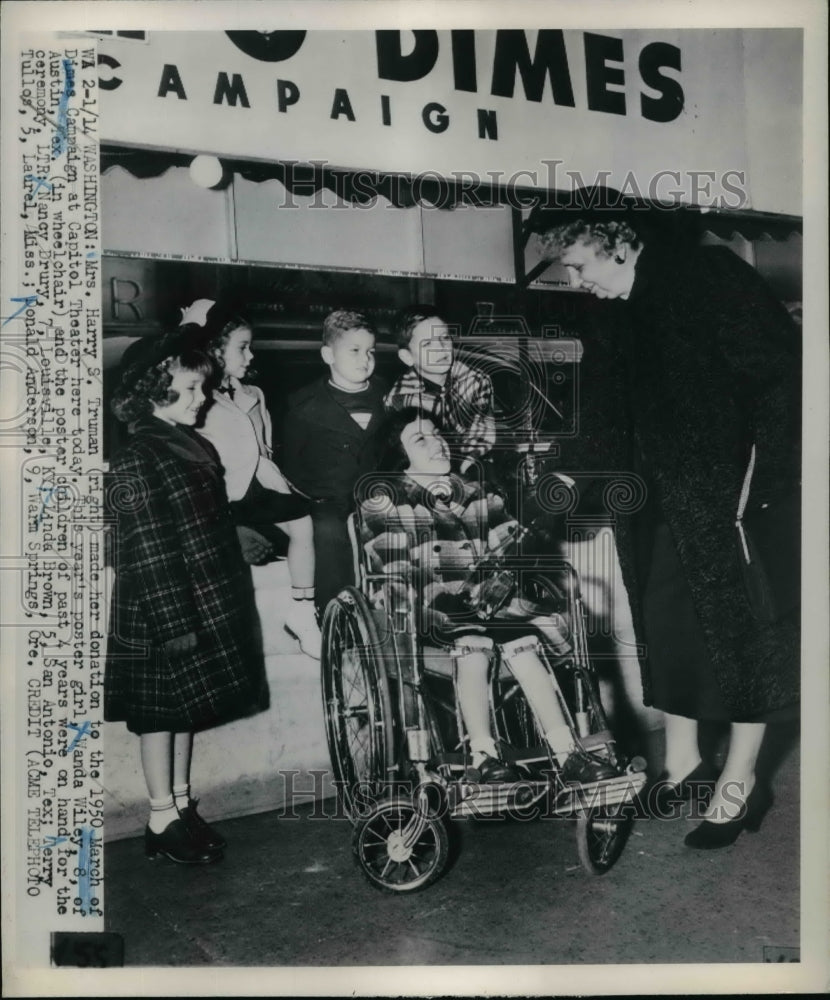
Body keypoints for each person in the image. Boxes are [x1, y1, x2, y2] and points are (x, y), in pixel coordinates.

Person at [528, 189, 801, 848]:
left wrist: (758, 486)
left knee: (740, 644)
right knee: (670, 632)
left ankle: (740, 786)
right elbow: (598, 422)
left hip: (726, 504)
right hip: (650, 506)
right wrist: (556, 482)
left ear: (618, 240)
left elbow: (785, 382)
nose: (574, 278)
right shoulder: (610, 316)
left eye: (577, 262)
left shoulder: (711, 278)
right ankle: (683, 762)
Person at [359, 407, 620, 786]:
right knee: (474, 641)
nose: (437, 443)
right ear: (400, 455)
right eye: (421, 439)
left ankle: (567, 754)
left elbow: (510, 546)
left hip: (488, 604)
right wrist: (448, 606)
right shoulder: (385, 502)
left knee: (525, 642)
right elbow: (395, 572)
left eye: (436, 433)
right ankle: (483, 756)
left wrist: (528, 539)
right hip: (426, 610)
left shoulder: (477, 491)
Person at [105, 334, 268, 864]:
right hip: (160, 605)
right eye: (192, 386)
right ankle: (159, 818)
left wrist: (236, 534)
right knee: (159, 717)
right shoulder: (138, 454)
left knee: (184, 711)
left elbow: (201, 516)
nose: (203, 395)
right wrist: (175, 623)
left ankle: (179, 806)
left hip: (192, 596)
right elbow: (148, 547)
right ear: (154, 388)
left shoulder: (186, 443)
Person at [179, 300, 321, 659]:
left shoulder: (253, 394)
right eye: (242, 347)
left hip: (259, 489)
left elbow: (264, 451)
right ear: (213, 349)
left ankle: (303, 610)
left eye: (250, 347)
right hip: (219, 497)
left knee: (304, 524)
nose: (251, 356)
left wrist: (284, 490)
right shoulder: (196, 398)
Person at [281, 309, 386, 616]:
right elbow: (292, 468)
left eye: (370, 351)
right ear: (328, 354)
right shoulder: (302, 406)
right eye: (353, 350)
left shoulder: (390, 396)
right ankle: (333, 615)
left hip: (379, 497)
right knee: (327, 532)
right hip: (327, 502)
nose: (364, 359)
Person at [384, 306, 496, 471]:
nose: (441, 348)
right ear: (407, 357)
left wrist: (467, 471)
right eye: (428, 343)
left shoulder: (476, 380)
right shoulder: (400, 397)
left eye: (444, 338)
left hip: (473, 467)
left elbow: (483, 434)